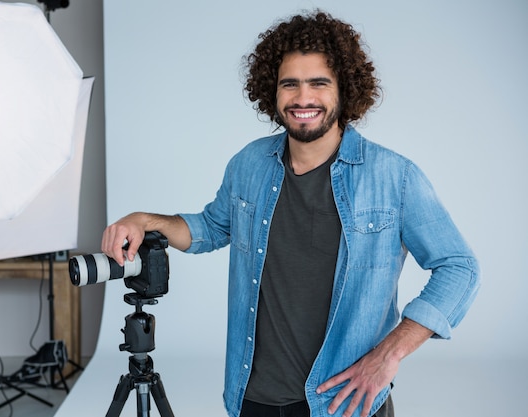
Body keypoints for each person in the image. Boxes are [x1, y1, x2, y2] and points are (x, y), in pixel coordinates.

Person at [101, 10, 480, 417]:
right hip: (253, 397)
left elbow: (459, 267)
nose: (303, 98)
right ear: (273, 91)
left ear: (344, 90)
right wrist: (146, 220)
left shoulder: (394, 177)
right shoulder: (250, 164)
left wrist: (389, 355)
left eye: (319, 83)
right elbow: (211, 227)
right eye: (290, 84)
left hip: (343, 403)